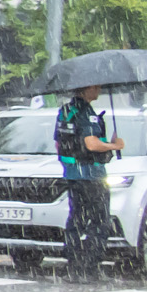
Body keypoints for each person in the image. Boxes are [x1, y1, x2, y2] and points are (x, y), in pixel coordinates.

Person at [55, 83, 124, 279]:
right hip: (91, 176)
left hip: (73, 175)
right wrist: (114, 145)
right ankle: (90, 267)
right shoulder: (86, 113)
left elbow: (58, 143)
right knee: (99, 221)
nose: (99, 90)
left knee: (76, 220)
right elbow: (91, 143)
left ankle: (74, 267)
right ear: (86, 89)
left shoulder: (66, 111)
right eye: (96, 87)